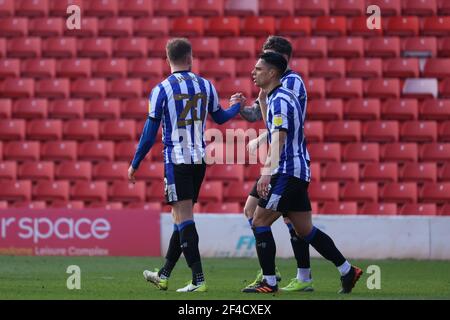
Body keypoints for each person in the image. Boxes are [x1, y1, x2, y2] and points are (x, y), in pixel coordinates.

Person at [128, 38, 246, 293]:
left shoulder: (161, 90)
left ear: (167, 58)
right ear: (190, 57)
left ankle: (198, 280)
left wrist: (135, 163)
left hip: (177, 161)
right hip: (199, 161)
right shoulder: (206, 85)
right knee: (178, 217)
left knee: (184, 218)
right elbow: (221, 118)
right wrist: (236, 106)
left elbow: (149, 134)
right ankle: (164, 274)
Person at [242, 52, 362, 294]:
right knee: (304, 230)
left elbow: (279, 138)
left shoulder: (281, 99)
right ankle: (347, 270)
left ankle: (269, 281)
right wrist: (262, 102)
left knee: (259, 220)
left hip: (286, 171)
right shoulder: (277, 97)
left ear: (272, 72)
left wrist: (266, 172)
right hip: (296, 171)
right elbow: (275, 129)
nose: (253, 72)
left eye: (259, 68)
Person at [240, 36, 313, 292]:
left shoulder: (289, 82)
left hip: (286, 161)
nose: (261, 61)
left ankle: (297, 276)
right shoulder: (272, 86)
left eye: (267, 55)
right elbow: (261, 116)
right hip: (280, 159)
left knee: (288, 222)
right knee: (253, 211)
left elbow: (284, 122)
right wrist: (242, 108)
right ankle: (272, 270)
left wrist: (262, 139)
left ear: (279, 60)